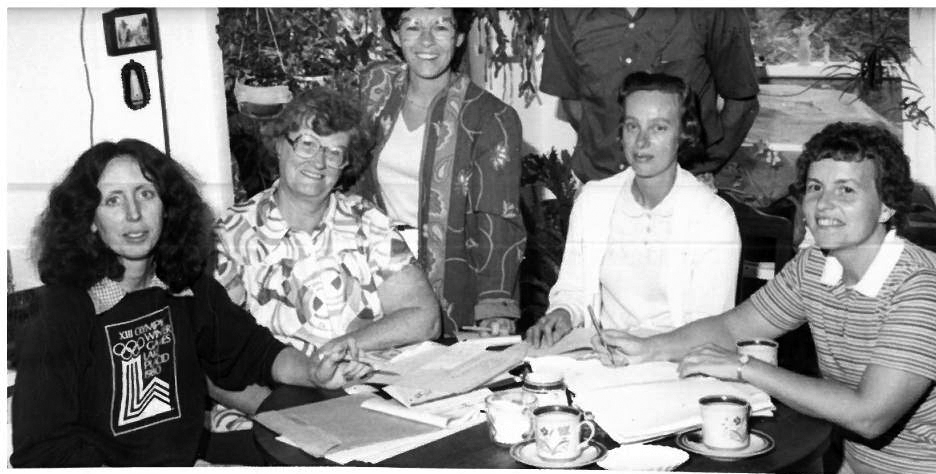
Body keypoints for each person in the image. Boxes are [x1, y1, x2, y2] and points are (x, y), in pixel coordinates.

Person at [594, 122, 936, 474]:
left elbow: (870, 415)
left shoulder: (924, 287)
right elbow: (732, 326)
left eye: (846, 190)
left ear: (886, 207)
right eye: (815, 187)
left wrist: (743, 366)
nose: (824, 204)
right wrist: (650, 348)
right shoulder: (814, 266)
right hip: (842, 461)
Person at [10, 139, 369, 467]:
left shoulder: (185, 287)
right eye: (113, 200)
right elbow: (42, 451)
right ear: (89, 219)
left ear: (168, 207)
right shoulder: (62, 311)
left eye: (146, 194)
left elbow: (254, 352)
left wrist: (314, 371)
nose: (133, 214)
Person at [210, 87, 440, 423]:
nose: (318, 162)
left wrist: (347, 343)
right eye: (306, 144)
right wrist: (285, 413)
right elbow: (212, 359)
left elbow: (425, 317)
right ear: (278, 144)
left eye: (334, 152)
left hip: (370, 400)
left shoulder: (367, 221)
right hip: (270, 405)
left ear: (345, 164)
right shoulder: (230, 235)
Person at [526, 72, 740, 348]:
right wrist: (563, 312)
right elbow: (574, 291)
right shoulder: (594, 201)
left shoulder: (713, 217)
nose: (641, 142)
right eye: (632, 126)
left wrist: (645, 352)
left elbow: (710, 329)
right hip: (603, 357)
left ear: (683, 135)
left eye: (659, 128)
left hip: (678, 365)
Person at [357, 8, 525, 337]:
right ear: (395, 35)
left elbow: (497, 218)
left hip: (454, 278)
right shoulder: (375, 92)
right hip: (380, 275)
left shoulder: (490, 117)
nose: (426, 41)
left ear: (460, 36)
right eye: (413, 27)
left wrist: (495, 306)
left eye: (441, 27)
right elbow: (355, 183)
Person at [540, 8, 759, 182]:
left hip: (682, 192)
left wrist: (702, 166)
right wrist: (610, 152)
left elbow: (742, 104)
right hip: (601, 186)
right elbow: (573, 101)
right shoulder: (567, 11)